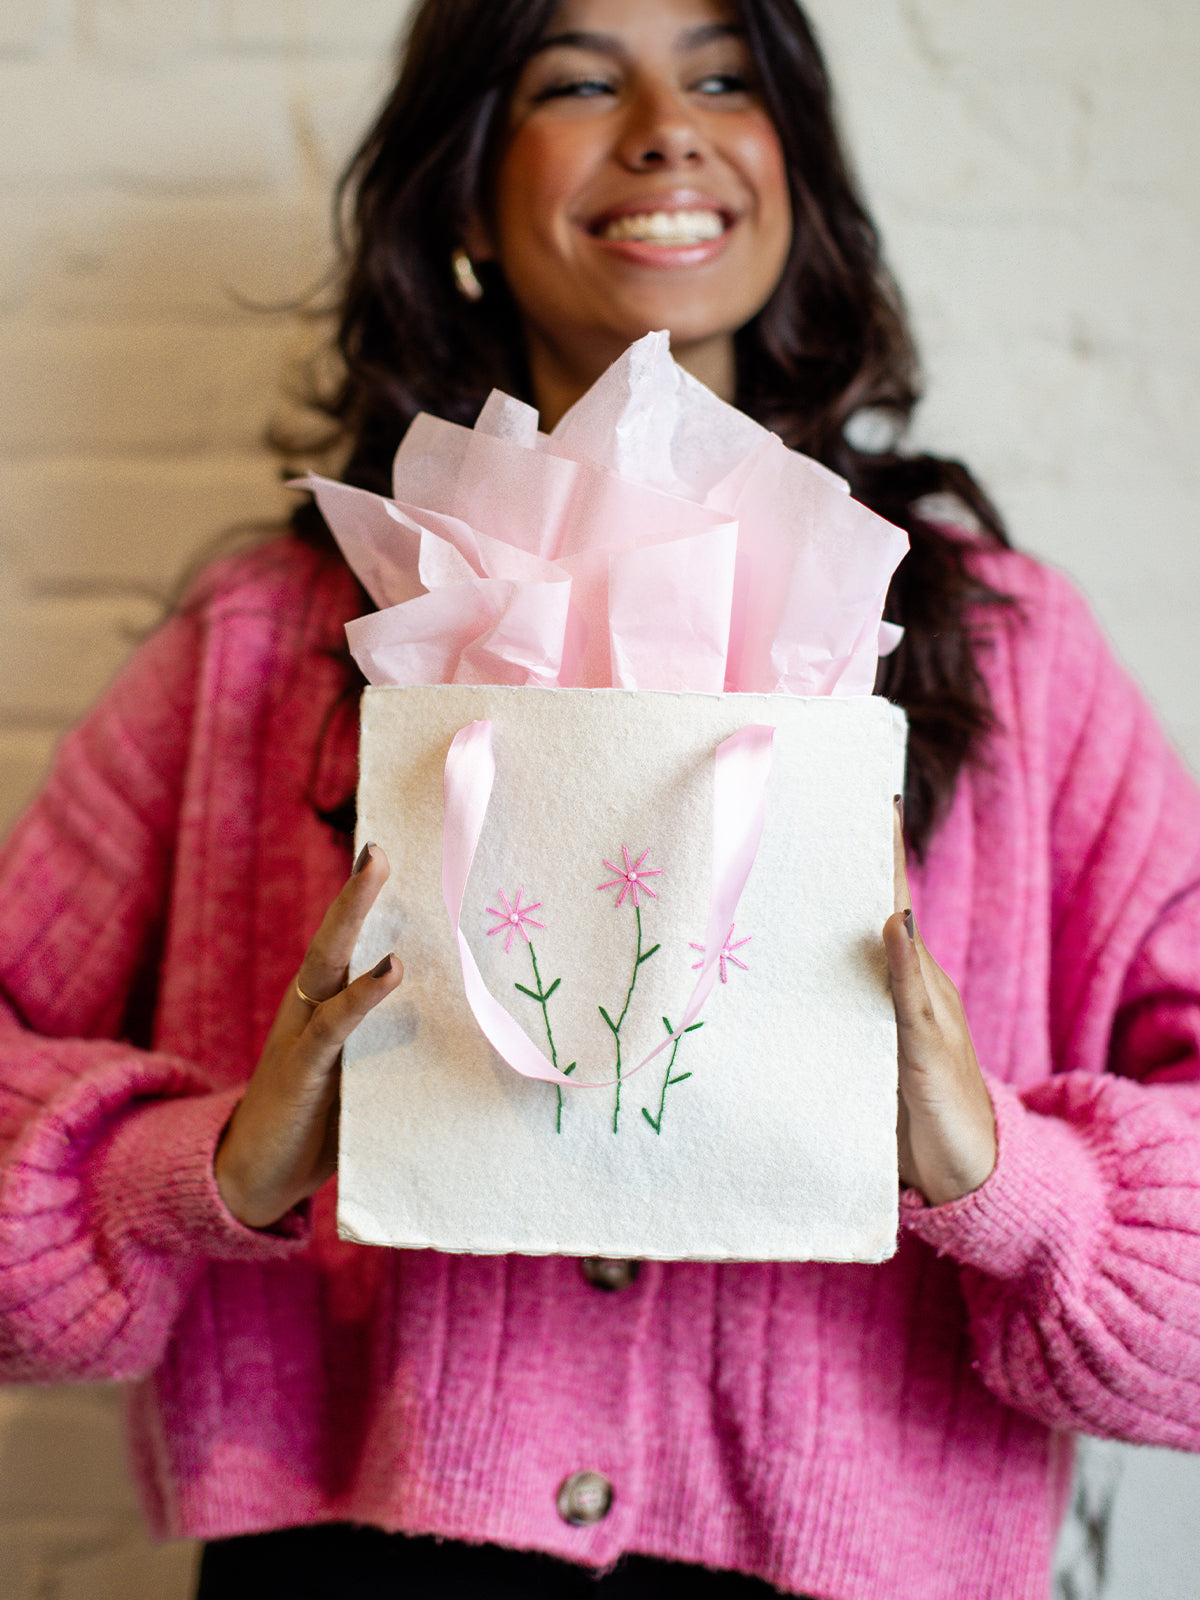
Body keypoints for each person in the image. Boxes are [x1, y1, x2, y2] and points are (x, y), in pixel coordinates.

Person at [0, 1, 1197, 1597]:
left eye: (725, 76)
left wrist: (1012, 1187)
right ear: (472, 193)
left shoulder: (1009, 654)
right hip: (366, 1557)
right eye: (578, 78)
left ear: (796, 173)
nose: (667, 124)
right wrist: (214, 1165)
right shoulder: (261, 653)